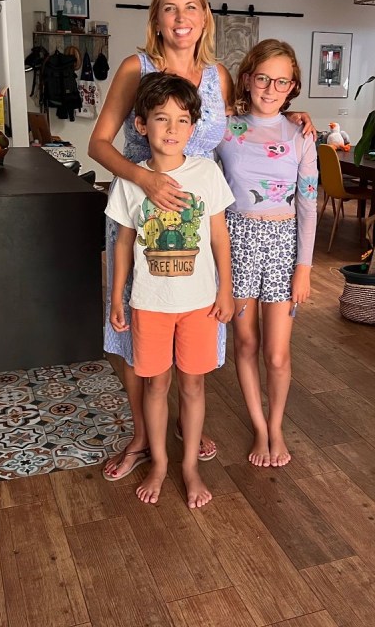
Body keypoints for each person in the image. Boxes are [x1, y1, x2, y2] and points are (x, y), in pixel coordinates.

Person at [89, 0, 314, 481]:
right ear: (156, 17)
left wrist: (298, 119)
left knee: (195, 325)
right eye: (170, 7)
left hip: (204, 221)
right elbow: (98, 144)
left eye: (191, 7)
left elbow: (250, 123)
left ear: (205, 15)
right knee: (137, 333)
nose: (181, 17)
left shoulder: (218, 76)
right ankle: (143, 437)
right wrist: (143, 181)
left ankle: (188, 426)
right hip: (138, 211)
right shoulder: (134, 66)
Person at [106, 72, 235, 507]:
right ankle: (159, 463)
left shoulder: (207, 173)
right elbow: (123, 242)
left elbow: (219, 236)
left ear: (194, 129)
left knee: (194, 387)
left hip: (199, 305)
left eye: (182, 120)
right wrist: (116, 296)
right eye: (162, 119)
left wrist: (226, 291)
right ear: (142, 125)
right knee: (156, 387)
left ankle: (189, 467)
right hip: (148, 304)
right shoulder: (132, 179)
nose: (172, 129)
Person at [216, 39, 318, 467]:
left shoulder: (301, 135)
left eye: (281, 81)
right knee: (245, 343)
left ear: (292, 86)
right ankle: (259, 428)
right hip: (236, 242)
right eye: (263, 78)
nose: (271, 88)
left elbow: (308, 205)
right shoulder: (225, 129)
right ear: (247, 78)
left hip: (283, 243)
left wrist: (305, 268)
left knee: (276, 353)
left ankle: (276, 426)